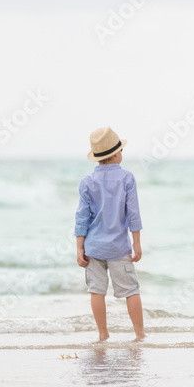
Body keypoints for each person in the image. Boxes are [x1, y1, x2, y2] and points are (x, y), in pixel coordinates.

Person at [74, 127, 145, 342]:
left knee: (97, 291)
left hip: (93, 247)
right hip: (118, 248)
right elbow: (133, 213)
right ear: (116, 154)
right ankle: (140, 334)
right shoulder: (127, 178)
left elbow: (81, 217)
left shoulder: (87, 182)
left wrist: (79, 247)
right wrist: (137, 243)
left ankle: (103, 334)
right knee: (131, 290)